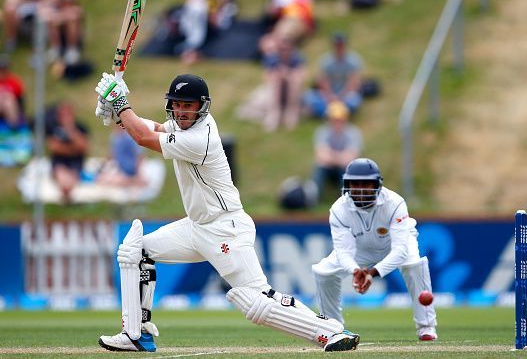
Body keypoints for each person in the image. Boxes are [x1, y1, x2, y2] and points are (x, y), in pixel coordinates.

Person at [93, 72, 360, 352]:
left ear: (202, 106)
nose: (182, 111)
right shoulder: (182, 127)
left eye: (188, 105)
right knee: (136, 251)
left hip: (225, 228)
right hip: (196, 227)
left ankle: (329, 332)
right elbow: (156, 128)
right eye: (177, 104)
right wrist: (118, 114)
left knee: (255, 300)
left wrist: (121, 103)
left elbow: (144, 137)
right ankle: (135, 334)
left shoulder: (200, 138)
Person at [311, 158, 438, 341]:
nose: (361, 189)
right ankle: (333, 329)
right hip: (360, 248)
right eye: (355, 184)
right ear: (347, 185)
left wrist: (372, 273)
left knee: (413, 264)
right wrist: (355, 271)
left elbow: (400, 250)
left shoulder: (394, 203)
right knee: (323, 272)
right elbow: (343, 251)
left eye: (366, 183)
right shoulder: (339, 209)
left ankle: (426, 326)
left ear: (377, 184)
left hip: (395, 243)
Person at [302, 32, 363, 118]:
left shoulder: (353, 60)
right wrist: (330, 96)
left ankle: (328, 113)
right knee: (308, 96)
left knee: (354, 100)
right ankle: (337, 113)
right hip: (328, 95)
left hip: (346, 95)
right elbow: (322, 81)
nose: (339, 48)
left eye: (341, 45)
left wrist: (341, 96)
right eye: (337, 45)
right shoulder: (326, 61)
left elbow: (354, 83)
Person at [311, 101, 362, 199]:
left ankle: (346, 198)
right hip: (328, 167)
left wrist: (331, 155)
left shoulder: (354, 133)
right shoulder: (322, 132)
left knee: (347, 170)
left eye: (340, 119)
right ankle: (314, 197)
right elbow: (321, 156)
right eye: (334, 119)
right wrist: (340, 157)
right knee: (319, 168)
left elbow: (351, 158)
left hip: (343, 168)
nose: (337, 122)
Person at [45, 101, 89, 203]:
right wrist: (73, 150)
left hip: (76, 163)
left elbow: (83, 146)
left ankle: (68, 194)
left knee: (72, 177)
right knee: (61, 175)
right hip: (59, 162)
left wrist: (71, 130)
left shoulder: (80, 127)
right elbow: (54, 147)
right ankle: (65, 192)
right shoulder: (53, 127)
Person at [262, 37, 306, 131]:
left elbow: (301, 75)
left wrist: (287, 75)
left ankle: (291, 112)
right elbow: (267, 76)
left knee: (294, 82)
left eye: (286, 49)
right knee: (276, 81)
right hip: (276, 91)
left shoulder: (297, 58)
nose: (284, 52)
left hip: (291, 91)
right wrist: (279, 75)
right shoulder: (273, 59)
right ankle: (274, 114)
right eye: (281, 49)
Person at [0, 54, 26, 129]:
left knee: (8, 99)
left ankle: (14, 125)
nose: (3, 71)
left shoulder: (14, 81)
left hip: (11, 108)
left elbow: (21, 99)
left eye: (4, 68)